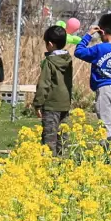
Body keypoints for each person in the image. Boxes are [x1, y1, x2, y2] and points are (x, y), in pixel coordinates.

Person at [76, 12, 111, 142]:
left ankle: (106, 157)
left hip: (105, 89)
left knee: (106, 127)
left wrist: (88, 35)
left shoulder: (100, 48)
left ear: (102, 32)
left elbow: (79, 51)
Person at [36, 23, 74, 154]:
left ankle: (48, 166)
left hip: (51, 105)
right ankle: (64, 164)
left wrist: (37, 104)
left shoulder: (49, 62)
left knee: (49, 139)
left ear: (50, 44)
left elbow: (43, 85)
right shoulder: (68, 60)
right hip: (65, 104)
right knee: (63, 138)